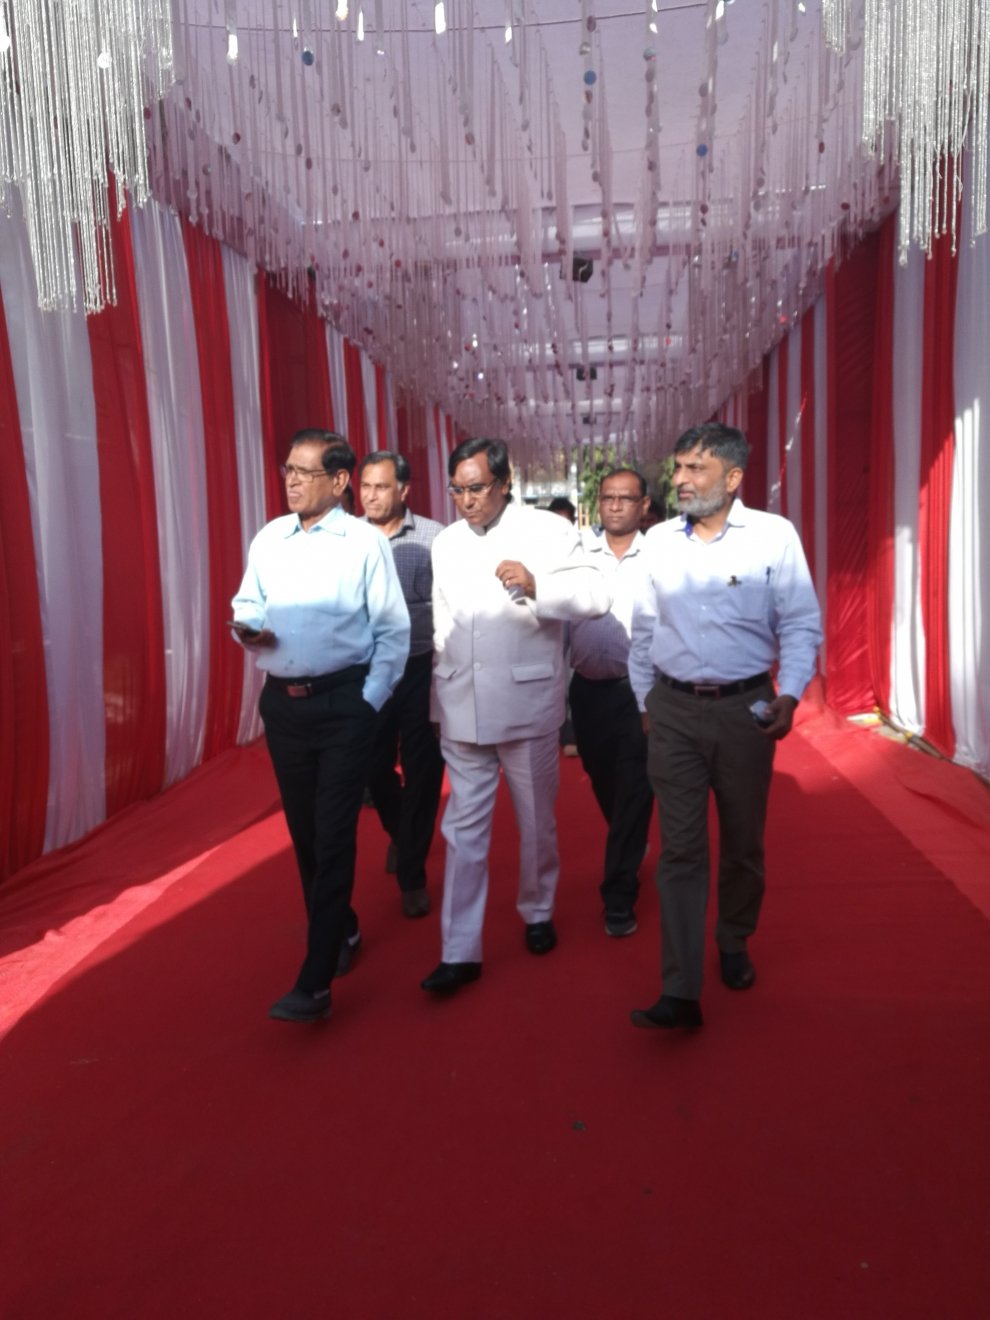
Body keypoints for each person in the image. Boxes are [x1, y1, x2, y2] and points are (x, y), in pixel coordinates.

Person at [627, 422, 822, 1031]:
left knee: (742, 841)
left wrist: (789, 694)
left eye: (696, 469)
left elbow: (800, 624)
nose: (680, 480)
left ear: (733, 478)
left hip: (747, 711)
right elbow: (643, 629)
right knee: (681, 849)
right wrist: (645, 702)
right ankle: (681, 990)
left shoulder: (773, 536)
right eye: (678, 467)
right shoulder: (658, 541)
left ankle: (734, 937)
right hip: (673, 710)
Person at [231, 429, 410, 1024]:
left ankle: (316, 979)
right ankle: (344, 928)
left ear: (338, 481)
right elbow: (247, 601)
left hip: (344, 708)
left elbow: (393, 631)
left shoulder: (364, 543)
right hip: (283, 708)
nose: (291, 481)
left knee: (333, 835)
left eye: (304, 472)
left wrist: (368, 702)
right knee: (306, 833)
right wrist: (248, 626)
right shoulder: (269, 538)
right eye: (287, 469)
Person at [421, 436, 611, 995]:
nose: (466, 500)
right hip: (461, 706)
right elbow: (442, 624)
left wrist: (538, 585)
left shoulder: (547, 530)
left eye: (477, 488)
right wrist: (439, 696)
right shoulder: (446, 542)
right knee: (462, 832)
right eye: (457, 489)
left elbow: (595, 595)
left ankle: (538, 909)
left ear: (505, 483)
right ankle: (459, 950)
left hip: (527, 705)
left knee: (535, 823)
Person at [358, 450, 445, 919]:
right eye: (365, 486)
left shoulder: (435, 538)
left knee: (423, 769)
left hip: (419, 667)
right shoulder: (347, 538)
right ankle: (402, 833)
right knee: (372, 767)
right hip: (367, 671)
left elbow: (448, 607)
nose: (371, 496)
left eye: (381, 487)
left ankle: (412, 875)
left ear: (404, 490)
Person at [569, 468, 654, 938]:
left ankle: (618, 897)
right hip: (587, 691)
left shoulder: (660, 554)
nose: (616, 506)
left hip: (641, 694)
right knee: (604, 781)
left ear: (644, 506)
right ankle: (630, 839)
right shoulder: (577, 553)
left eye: (626, 498)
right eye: (608, 498)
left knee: (636, 787)